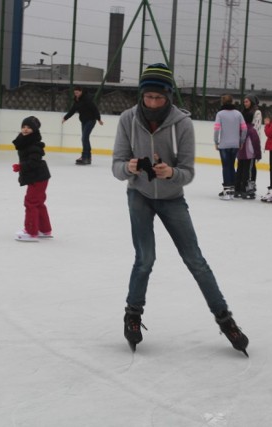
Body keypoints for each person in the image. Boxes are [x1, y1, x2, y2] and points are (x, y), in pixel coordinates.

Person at [111, 63, 249, 356]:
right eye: (147, 97)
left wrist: (171, 173)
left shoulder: (182, 123)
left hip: (172, 198)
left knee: (195, 260)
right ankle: (133, 315)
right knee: (145, 259)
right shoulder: (127, 119)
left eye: (158, 98)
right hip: (139, 195)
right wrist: (129, 167)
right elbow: (116, 166)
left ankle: (225, 319)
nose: (152, 103)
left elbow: (188, 172)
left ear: (168, 96)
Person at [12, 116, 52, 242]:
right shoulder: (26, 140)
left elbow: (34, 162)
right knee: (38, 203)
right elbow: (18, 144)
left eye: (29, 127)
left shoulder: (34, 144)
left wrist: (20, 166)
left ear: (34, 130)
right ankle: (45, 229)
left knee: (31, 202)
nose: (25, 129)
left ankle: (31, 231)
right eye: (23, 126)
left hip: (38, 177)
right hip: (38, 176)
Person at [213, 94, 247, 200]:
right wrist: (241, 140)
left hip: (224, 144)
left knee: (226, 166)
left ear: (222, 102)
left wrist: (216, 141)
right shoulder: (238, 114)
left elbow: (217, 129)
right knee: (232, 165)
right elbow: (244, 129)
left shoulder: (220, 114)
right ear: (232, 102)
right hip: (235, 144)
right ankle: (232, 188)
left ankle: (227, 189)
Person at [62, 86, 104, 165]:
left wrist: (99, 119)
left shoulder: (87, 99)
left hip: (91, 120)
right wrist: (65, 118)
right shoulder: (77, 100)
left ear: (81, 92)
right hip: (84, 121)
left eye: (77, 93)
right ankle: (88, 157)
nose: (76, 94)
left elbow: (95, 109)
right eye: (75, 93)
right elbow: (72, 110)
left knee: (84, 138)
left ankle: (84, 157)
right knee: (85, 138)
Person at [235, 111, 262, 199]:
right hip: (249, 155)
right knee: (247, 172)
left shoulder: (239, 129)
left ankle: (237, 189)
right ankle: (244, 189)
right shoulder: (252, 130)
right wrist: (258, 155)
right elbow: (256, 143)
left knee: (239, 170)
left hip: (240, 154)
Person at [242, 94, 262, 185]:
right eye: (244, 102)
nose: (245, 103)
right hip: (244, 140)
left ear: (251, 102)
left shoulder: (257, 112)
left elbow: (256, 128)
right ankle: (244, 182)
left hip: (252, 140)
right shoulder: (244, 112)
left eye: (247, 101)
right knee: (244, 164)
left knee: (251, 163)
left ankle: (251, 183)